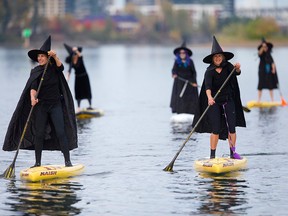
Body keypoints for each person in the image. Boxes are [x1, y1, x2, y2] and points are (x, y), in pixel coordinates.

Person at [2, 36, 78, 167]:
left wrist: (55, 56)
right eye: (38, 57)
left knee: (61, 132)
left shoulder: (54, 68)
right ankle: (37, 163)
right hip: (41, 106)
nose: (39, 59)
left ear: (47, 57)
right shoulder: (36, 71)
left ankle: (68, 162)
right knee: (39, 134)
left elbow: (61, 67)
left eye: (42, 56)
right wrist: (32, 98)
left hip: (55, 105)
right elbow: (32, 87)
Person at [192, 36, 246, 159]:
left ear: (223, 57)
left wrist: (237, 68)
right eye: (215, 57)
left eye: (219, 56)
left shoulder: (228, 67)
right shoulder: (209, 71)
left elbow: (237, 73)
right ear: (212, 59)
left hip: (228, 100)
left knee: (231, 128)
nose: (217, 58)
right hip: (214, 102)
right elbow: (207, 87)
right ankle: (212, 156)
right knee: (215, 129)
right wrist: (210, 98)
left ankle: (233, 153)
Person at [170, 41, 199, 114]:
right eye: (180, 53)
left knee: (189, 98)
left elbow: (194, 72)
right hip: (179, 83)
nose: (182, 54)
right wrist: (174, 74)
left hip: (189, 83)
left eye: (183, 53)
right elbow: (173, 70)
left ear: (186, 54)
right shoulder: (176, 62)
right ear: (178, 54)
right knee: (180, 97)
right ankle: (180, 111)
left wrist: (194, 82)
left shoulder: (190, 62)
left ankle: (190, 111)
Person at [64, 43, 92, 112]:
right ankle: (78, 107)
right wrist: (66, 79)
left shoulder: (80, 58)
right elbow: (69, 71)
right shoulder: (71, 62)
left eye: (75, 54)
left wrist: (76, 50)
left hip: (84, 76)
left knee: (87, 90)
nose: (75, 56)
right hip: (78, 78)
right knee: (78, 92)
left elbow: (80, 55)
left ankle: (90, 106)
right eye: (74, 55)